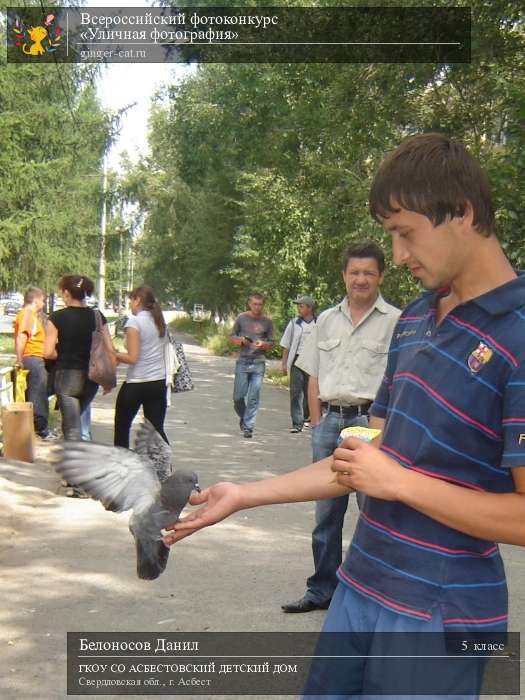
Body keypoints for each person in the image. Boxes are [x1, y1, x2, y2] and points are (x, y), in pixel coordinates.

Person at [165, 134, 525, 698]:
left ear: (463, 213)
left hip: (443, 614)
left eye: (406, 233)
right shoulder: (415, 319)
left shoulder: (520, 335)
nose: (399, 256)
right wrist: (245, 494)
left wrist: (401, 484)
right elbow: (362, 460)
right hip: (360, 587)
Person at [282, 241, 400, 613]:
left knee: (375, 512)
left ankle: (374, 593)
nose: (360, 279)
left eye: (368, 272)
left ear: (381, 275)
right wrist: (318, 423)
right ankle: (322, 588)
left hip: (372, 423)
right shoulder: (326, 321)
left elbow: (401, 381)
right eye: (354, 272)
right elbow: (313, 375)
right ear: (344, 276)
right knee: (326, 513)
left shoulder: (397, 322)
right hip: (330, 421)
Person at [44, 275, 112, 443]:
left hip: (66, 378)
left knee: (71, 428)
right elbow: (110, 349)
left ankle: (74, 465)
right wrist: (109, 378)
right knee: (75, 423)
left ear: (67, 293)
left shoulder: (57, 317)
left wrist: (62, 353)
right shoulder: (97, 316)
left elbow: (47, 352)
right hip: (91, 379)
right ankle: (75, 461)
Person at [113, 285, 169, 449]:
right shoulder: (159, 321)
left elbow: (132, 357)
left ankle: (123, 465)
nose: (130, 304)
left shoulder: (135, 322)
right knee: (156, 430)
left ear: (137, 300)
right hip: (158, 382)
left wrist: (113, 353)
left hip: (137, 382)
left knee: (122, 427)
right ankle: (163, 466)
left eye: (131, 300)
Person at [230, 293, 274, 439]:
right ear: (249, 304)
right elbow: (232, 337)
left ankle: (248, 427)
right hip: (243, 360)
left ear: (263, 305)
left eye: (260, 304)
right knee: (238, 396)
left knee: (254, 396)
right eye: (254, 304)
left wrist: (264, 344)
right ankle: (244, 417)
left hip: (258, 362)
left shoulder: (267, 322)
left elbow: (272, 343)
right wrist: (241, 340)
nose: (257, 307)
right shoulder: (241, 318)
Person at [14, 286, 50, 439]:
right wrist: (19, 359)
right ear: (35, 300)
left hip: (32, 358)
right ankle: (39, 430)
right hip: (33, 358)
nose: (43, 303)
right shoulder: (28, 314)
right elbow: (22, 336)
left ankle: (34, 429)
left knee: (34, 394)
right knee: (38, 395)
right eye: (42, 300)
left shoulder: (29, 315)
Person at [280, 295, 317, 433]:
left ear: (310, 308)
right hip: (297, 359)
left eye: (301, 306)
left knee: (311, 391)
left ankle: (308, 417)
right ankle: (297, 423)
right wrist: (284, 363)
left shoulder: (318, 323)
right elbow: (286, 344)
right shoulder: (294, 323)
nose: (298, 309)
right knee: (296, 391)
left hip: (313, 360)